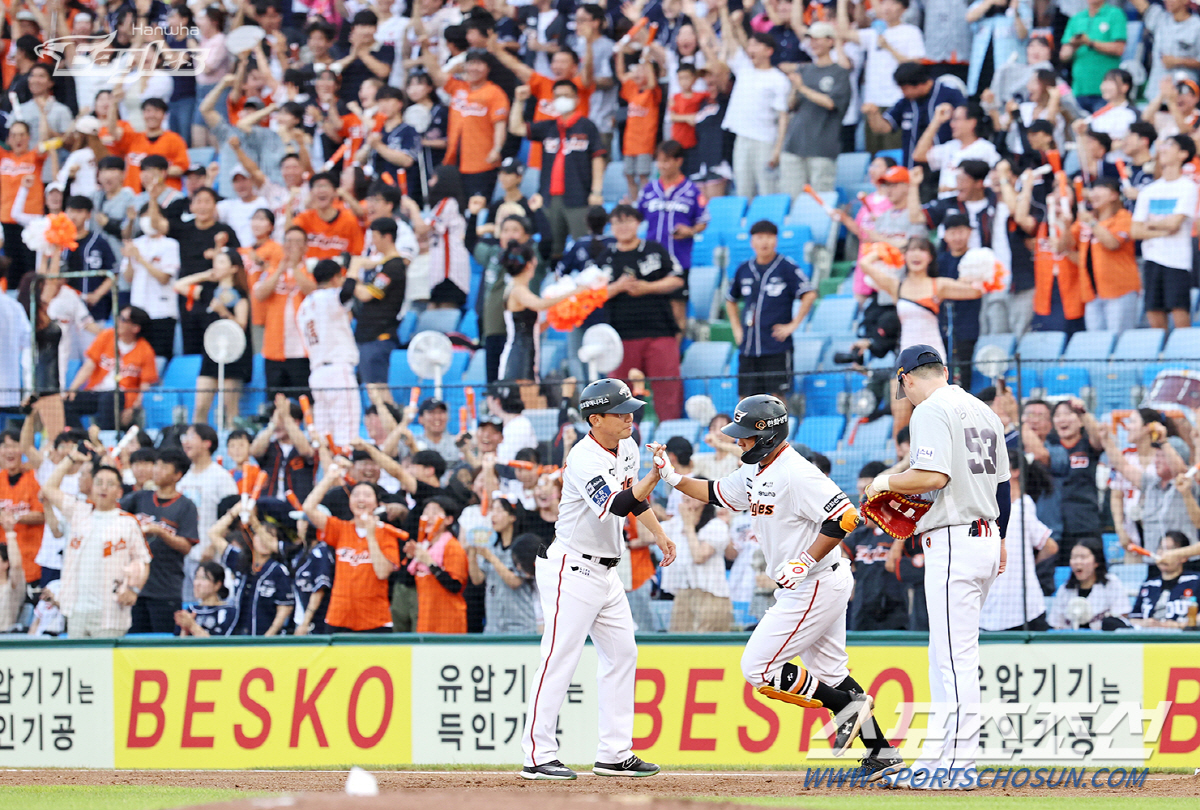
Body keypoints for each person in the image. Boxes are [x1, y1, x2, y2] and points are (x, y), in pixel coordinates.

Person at [654, 393, 900, 780]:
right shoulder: (757, 469)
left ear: (767, 435)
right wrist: (671, 477)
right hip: (815, 582)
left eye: (745, 436)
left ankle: (846, 707)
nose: (738, 441)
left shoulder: (796, 472)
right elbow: (717, 492)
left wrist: (805, 559)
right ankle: (881, 752)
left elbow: (847, 516)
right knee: (832, 672)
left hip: (816, 580)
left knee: (758, 668)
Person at [862, 345, 1011, 786]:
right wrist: (999, 535)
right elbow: (1002, 487)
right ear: (943, 371)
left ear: (905, 379)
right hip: (982, 536)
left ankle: (956, 768)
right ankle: (940, 761)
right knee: (945, 656)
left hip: (954, 541)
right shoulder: (983, 409)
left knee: (953, 659)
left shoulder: (928, 409)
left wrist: (882, 482)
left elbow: (933, 478)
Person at [520, 379, 675, 780]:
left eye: (630, 410)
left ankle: (614, 753)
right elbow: (619, 504)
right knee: (559, 660)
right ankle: (536, 755)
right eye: (621, 412)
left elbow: (634, 497)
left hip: (607, 571)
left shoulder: (628, 445)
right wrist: (657, 476)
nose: (630, 417)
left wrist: (658, 533)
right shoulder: (584, 456)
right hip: (571, 567)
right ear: (595, 419)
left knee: (624, 654)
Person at [42, 454, 151, 638]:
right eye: (99, 482)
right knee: (80, 666)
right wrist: (70, 458)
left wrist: (134, 590)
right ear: (91, 487)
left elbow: (144, 561)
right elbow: (48, 488)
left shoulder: (127, 522)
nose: (103, 488)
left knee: (107, 666)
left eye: (110, 484)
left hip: (111, 613)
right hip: (76, 611)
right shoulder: (78, 513)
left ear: (119, 491)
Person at [302, 457, 404, 633]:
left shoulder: (386, 534)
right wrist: (329, 477)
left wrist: (371, 536)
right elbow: (309, 508)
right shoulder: (341, 529)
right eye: (356, 495)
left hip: (375, 619)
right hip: (339, 617)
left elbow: (382, 573)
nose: (361, 499)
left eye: (367, 495)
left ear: (377, 503)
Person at [602, 205, 685, 421]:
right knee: (620, 394)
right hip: (620, 337)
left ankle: (670, 438)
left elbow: (677, 279)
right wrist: (618, 287)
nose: (623, 226)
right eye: (617, 221)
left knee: (667, 388)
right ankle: (621, 443)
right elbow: (592, 293)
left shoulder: (655, 250)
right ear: (611, 227)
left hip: (660, 331)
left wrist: (647, 287)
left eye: (628, 220)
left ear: (639, 223)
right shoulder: (605, 257)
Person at [508, 81, 606, 261]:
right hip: (549, 198)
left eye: (566, 95)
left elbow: (598, 158)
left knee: (583, 245)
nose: (561, 100)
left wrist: (596, 190)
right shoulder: (548, 127)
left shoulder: (587, 126)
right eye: (557, 96)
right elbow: (516, 128)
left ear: (576, 99)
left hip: (579, 196)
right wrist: (519, 102)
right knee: (552, 248)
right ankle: (554, 284)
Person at [725, 220, 816, 399]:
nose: (764, 242)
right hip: (748, 347)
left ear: (776, 240)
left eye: (769, 237)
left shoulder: (786, 267)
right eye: (759, 237)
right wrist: (737, 329)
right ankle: (748, 428)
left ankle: (779, 428)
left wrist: (793, 325)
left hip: (776, 345)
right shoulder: (744, 269)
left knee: (777, 398)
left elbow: (809, 294)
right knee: (746, 399)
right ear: (752, 242)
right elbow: (730, 300)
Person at [120, 448, 200, 634]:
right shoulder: (139, 498)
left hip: (165, 590)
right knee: (133, 646)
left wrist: (161, 532)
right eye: (157, 465)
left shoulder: (186, 506)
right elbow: (113, 514)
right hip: (135, 588)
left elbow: (186, 547)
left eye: (164, 467)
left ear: (177, 475)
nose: (157, 470)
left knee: (163, 645)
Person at [173, 248, 253, 428]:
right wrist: (205, 275)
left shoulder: (240, 296)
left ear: (234, 268)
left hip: (232, 355)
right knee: (201, 405)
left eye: (222, 262)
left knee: (230, 408)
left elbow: (241, 325)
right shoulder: (208, 292)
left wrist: (224, 312)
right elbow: (179, 285)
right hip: (211, 353)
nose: (217, 265)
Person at [636, 140, 709, 336]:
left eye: (667, 161)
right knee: (650, 310)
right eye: (659, 161)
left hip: (678, 260)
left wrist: (690, 231)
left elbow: (703, 221)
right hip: (650, 261)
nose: (662, 165)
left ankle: (673, 358)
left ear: (678, 161)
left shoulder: (692, 191)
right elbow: (636, 216)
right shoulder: (649, 190)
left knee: (677, 311)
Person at [980, 449, 1058, 632]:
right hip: (992, 605)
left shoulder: (1022, 507)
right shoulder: (987, 507)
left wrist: (1029, 564)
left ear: (1014, 472)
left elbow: (1051, 546)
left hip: (1024, 608)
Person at [714, 24, 791, 199]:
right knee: (742, 190)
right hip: (741, 139)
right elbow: (729, 38)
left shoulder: (778, 79)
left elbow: (783, 117)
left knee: (767, 190)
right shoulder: (744, 69)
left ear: (769, 51)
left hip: (765, 140)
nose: (751, 49)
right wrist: (725, 9)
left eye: (756, 45)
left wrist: (778, 149)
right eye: (749, 45)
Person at [422, 47, 509, 199]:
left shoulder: (495, 92)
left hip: (482, 161)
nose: (474, 68)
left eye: (479, 64)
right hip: (454, 160)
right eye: (471, 63)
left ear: (488, 68)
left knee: (478, 205)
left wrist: (496, 149)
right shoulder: (458, 87)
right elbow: (435, 74)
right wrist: (425, 46)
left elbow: (500, 125)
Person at [1131, 134, 1198, 330]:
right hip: (1152, 258)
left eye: (1170, 145)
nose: (1163, 149)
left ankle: (1184, 356)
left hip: (1177, 261)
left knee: (1179, 310)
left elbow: (1175, 224)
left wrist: (1150, 225)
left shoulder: (1188, 187)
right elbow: (1135, 230)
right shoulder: (1149, 190)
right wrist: (1162, 227)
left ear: (1183, 154)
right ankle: (1160, 357)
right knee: (1153, 310)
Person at [296, 259, 361, 449]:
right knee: (347, 435)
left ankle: (327, 475)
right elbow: (346, 293)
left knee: (324, 438)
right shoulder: (329, 296)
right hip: (338, 371)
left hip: (317, 374)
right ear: (335, 278)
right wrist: (354, 270)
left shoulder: (303, 306)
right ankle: (344, 476)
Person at [63, 306, 159, 431]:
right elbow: (89, 366)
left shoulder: (145, 350)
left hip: (122, 398)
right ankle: (81, 438)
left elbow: (144, 387)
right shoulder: (107, 336)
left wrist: (133, 409)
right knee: (66, 403)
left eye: (123, 319)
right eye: (119, 317)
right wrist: (73, 389)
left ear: (135, 328)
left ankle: (106, 438)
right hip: (97, 392)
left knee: (110, 397)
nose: (118, 321)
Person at [498, 240, 576, 381]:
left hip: (529, 352)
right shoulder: (517, 289)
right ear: (529, 265)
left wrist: (555, 318)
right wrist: (572, 292)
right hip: (520, 355)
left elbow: (533, 328)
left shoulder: (520, 288)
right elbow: (540, 305)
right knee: (526, 400)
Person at [660, 484, 734, 632]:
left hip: (711, 595)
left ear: (704, 499)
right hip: (683, 594)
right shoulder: (675, 523)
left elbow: (699, 556)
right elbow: (647, 536)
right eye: (684, 494)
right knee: (678, 645)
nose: (685, 497)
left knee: (709, 647)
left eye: (690, 492)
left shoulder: (717, 525)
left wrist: (688, 526)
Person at [178, 423, 238, 602]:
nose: (186, 442)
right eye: (185, 437)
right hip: (187, 557)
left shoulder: (221, 477)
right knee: (189, 606)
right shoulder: (183, 479)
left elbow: (233, 515)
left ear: (207, 443)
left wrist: (212, 546)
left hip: (213, 557)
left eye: (191, 437)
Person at [254, 225, 315, 399]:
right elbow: (259, 294)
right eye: (288, 241)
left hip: (303, 351)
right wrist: (281, 269)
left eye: (297, 242)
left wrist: (294, 267)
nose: (292, 245)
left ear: (305, 246)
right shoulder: (271, 272)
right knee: (276, 403)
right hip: (274, 350)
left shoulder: (311, 270)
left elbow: (312, 290)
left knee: (305, 401)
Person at [466, 502, 539, 634]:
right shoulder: (492, 547)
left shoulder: (522, 549)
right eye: (492, 510)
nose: (494, 515)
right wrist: (472, 553)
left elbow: (515, 582)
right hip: (493, 628)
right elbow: (477, 579)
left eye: (499, 510)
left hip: (521, 628)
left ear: (512, 517)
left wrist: (491, 558)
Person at [122, 205, 181, 361]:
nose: (147, 220)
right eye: (144, 216)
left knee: (159, 358)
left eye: (152, 215)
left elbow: (164, 278)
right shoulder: (135, 243)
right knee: (139, 358)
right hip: (139, 309)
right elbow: (128, 278)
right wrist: (129, 257)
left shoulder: (170, 244)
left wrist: (140, 259)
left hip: (162, 311)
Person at [407, 496, 469, 633]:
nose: (428, 517)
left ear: (448, 519)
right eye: (425, 512)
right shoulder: (424, 546)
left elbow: (455, 585)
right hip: (426, 622)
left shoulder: (453, 547)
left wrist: (429, 563)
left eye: (434, 512)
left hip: (448, 624)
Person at [1047, 538, 1129, 630]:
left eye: (1083, 557)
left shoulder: (1111, 584)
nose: (1078, 562)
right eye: (1074, 557)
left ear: (1096, 562)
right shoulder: (1065, 590)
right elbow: (1056, 624)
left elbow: (1121, 616)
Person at [1060, 0, 1127, 112]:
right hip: (1079, 89)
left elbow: (1119, 48)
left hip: (1107, 91)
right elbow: (1063, 55)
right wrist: (1074, 45)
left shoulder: (1115, 14)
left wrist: (1090, 42)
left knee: (1102, 128)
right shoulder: (1076, 18)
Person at [0, 430, 44, 585]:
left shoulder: (35, 477)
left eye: (15, 445)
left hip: (31, 563)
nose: (9, 451)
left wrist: (13, 516)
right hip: (3, 569)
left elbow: (41, 514)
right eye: (5, 446)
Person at [1130, 532, 1200, 628]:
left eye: (1170, 550)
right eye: (1161, 549)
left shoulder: (1196, 581)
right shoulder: (1148, 585)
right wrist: (1145, 623)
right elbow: (1133, 618)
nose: (1164, 554)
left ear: (1184, 556)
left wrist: (1178, 625)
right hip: (1149, 638)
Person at [174, 560, 237, 637]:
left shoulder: (228, 612)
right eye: (196, 577)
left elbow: (219, 644)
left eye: (203, 578)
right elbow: (178, 645)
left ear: (217, 585)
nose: (197, 583)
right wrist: (185, 629)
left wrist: (192, 626)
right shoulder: (189, 611)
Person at [0, 514, 27, 631]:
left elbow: (16, 565)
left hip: (5, 637)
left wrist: (10, 533)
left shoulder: (12, 587)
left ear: (6, 563)